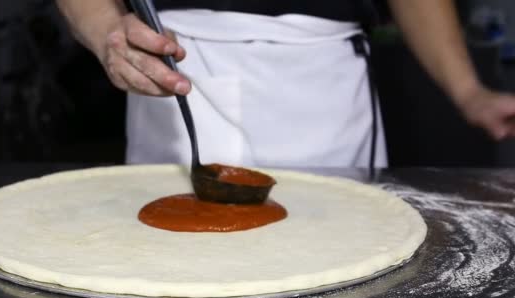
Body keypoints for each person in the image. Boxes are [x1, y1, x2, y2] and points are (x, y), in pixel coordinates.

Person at [56, 0, 515, 168]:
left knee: (338, 291)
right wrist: (105, 30)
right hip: (177, 65)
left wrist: (468, 91)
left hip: (327, 86)